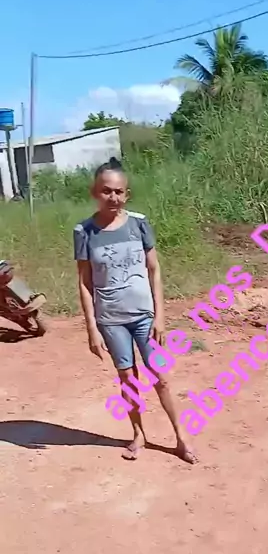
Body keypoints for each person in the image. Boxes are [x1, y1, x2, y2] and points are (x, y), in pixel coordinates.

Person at [73, 158, 196, 463]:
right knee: (128, 378)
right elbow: (85, 283)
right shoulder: (84, 231)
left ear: (127, 194)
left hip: (145, 318)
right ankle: (138, 434)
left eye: (119, 191)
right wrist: (91, 329)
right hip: (111, 320)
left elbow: (154, 270)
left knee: (161, 377)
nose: (113, 197)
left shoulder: (139, 223)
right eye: (106, 191)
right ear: (95, 192)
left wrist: (160, 316)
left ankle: (181, 438)